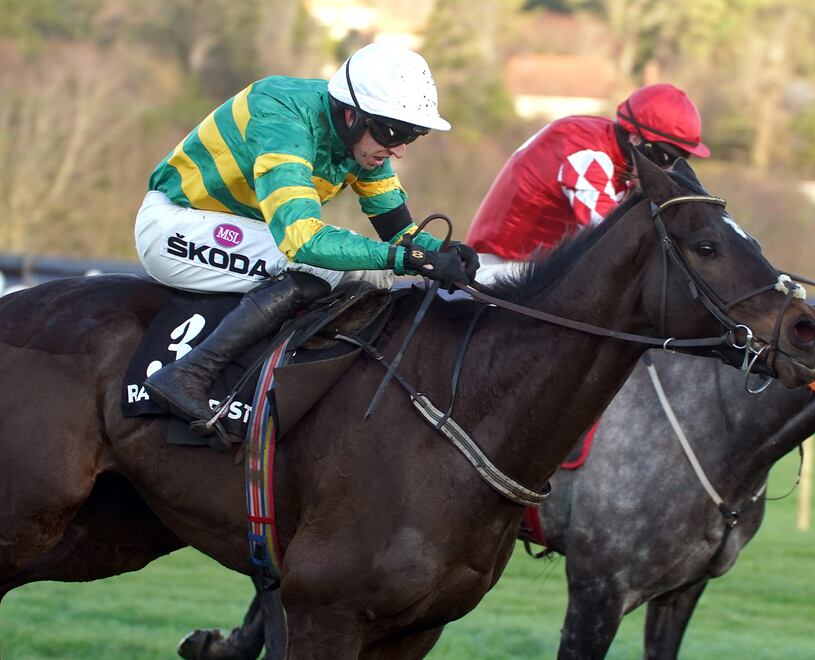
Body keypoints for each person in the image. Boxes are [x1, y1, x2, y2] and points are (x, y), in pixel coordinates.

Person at [135, 42, 479, 449]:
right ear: (351, 115)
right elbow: (303, 239)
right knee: (326, 268)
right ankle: (190, 373)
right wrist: (406, 258)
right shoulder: (282, 115)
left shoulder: (365, 142)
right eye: (395, 133)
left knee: (374, 276)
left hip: (241, 233)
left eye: (412, 136)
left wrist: (440, 251)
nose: (400, 149)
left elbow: (399, 233)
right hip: (175, 227)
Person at [466, 83, 709, 284]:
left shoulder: (614, 148)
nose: (665, 170)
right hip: (497, 271)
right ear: (635, 138)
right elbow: (612, 236)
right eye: (663, 157)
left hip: (534, 268)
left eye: (678, 160)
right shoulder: (586, 152)